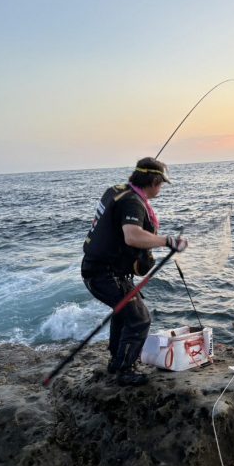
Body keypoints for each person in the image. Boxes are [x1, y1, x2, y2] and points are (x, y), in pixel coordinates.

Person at [81, 157, 187, 386]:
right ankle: (124, 371)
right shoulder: (133, 203)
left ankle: (116, 361)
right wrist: (167, 241)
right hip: (104, 274)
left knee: (124, 311)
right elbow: (132, 235)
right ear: (154, 181)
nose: (161, 189)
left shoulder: (117, 191)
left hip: (98, 269)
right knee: (139, 319)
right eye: (161, 184)